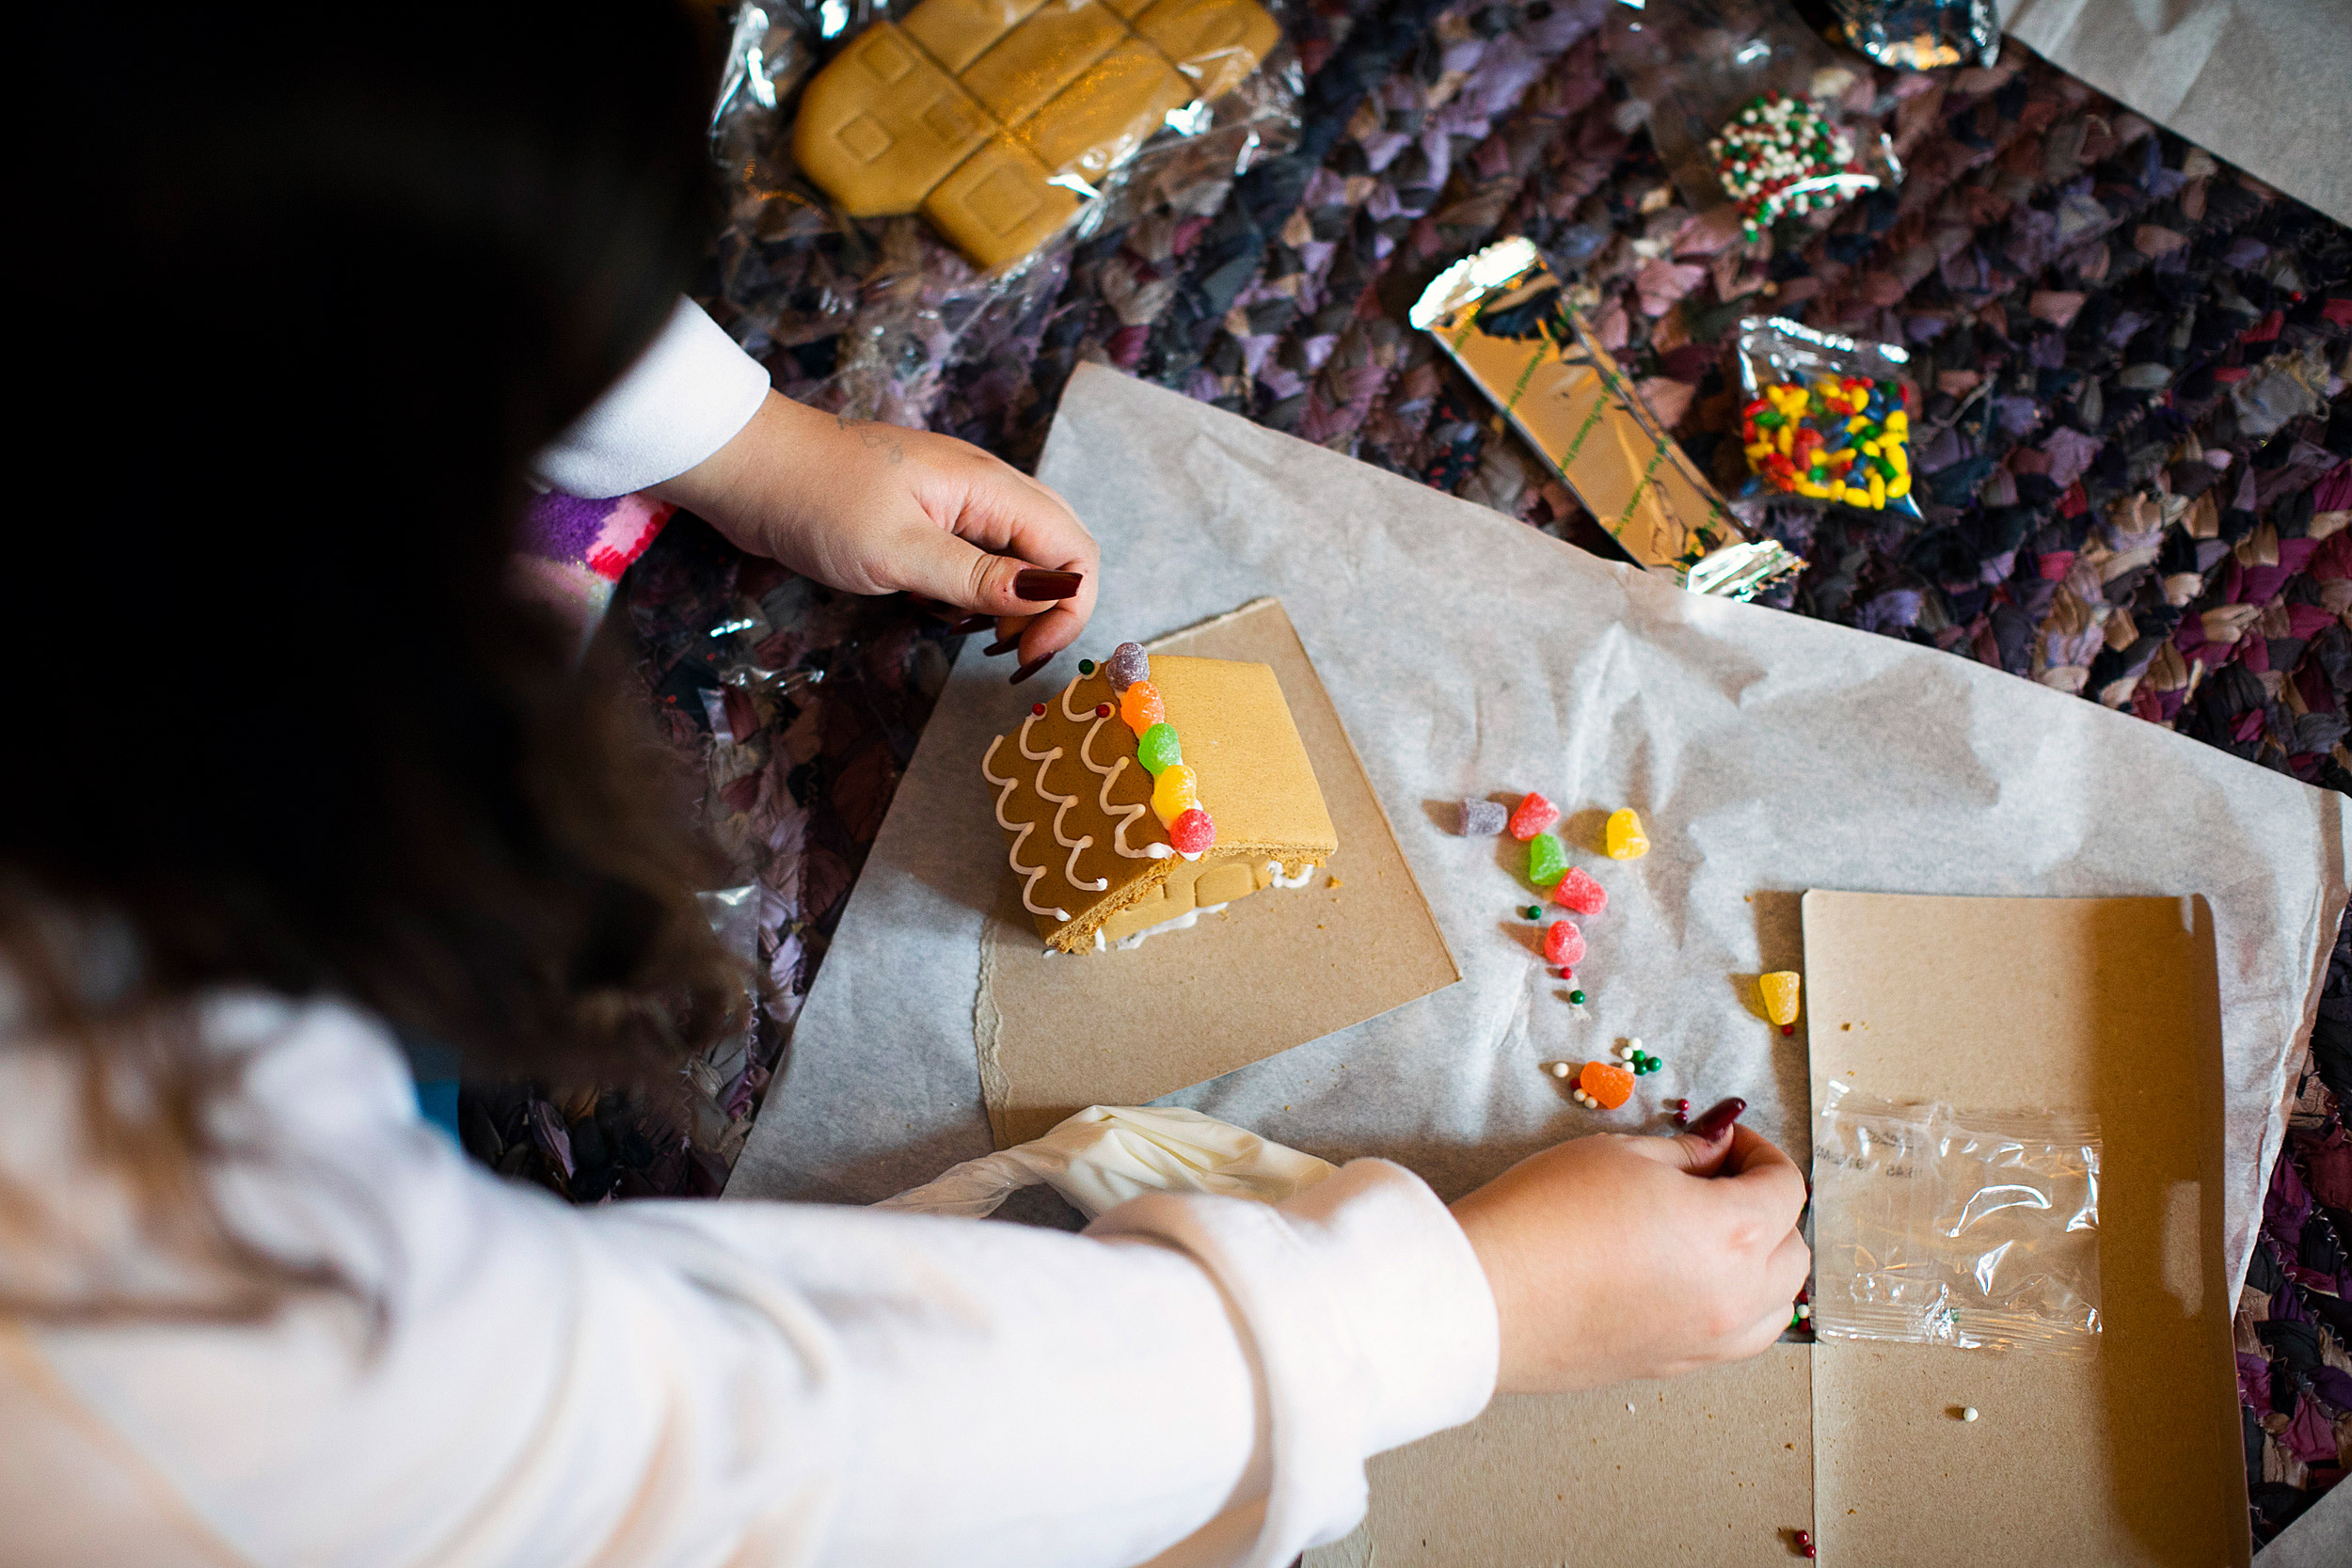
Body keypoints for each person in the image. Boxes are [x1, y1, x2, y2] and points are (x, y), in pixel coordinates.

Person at [3, 8, 1810, 1566]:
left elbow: (344, 177)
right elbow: (696, 1455)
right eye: (498, 403)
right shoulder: (153, 1282)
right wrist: (1446, 1321)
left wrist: (740, 442)